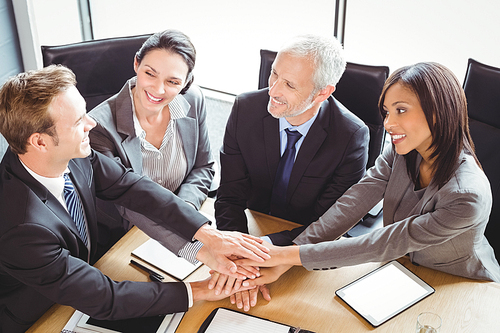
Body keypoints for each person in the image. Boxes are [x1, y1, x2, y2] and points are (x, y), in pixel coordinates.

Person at [0, 65, 268, 333]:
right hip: (39, 317)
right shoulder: (22, 226)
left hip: (82, 282)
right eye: (79, 121)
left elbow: (131, 187)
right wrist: (200, 290)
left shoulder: (69, 154)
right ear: (40, 142)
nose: (91, 124)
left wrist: (208, 235)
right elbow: (106, 299)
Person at [234, 62, 500, 291]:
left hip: (461, 285)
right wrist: (287, 260)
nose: (387, 123)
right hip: (402, 270)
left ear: (437, 112)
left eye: (401, 110)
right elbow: (351, 204)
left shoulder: (467, 195)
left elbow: (386, 241)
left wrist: (286, 255)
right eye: (386, 112)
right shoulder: (402, 153)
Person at [215, 34, 369, 246]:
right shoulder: (245, 109)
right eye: (274, 74)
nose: (273, 90)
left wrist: (267, 248)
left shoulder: (350, 136)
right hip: (253, 224)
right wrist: (236, 249)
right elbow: (229, 196)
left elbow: (328, 223)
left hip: (301, 244)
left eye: (289, 85)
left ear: (322, 93)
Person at [88, 30, 214, 256]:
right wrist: (194, 243)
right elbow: (128, 201)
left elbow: (203, 167)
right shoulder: (99, 127)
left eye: (173, 81)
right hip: (123, 236)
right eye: (150, 74)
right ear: (136, 64)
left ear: (186, 82)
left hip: (184, 226)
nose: (158, 89)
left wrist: (185, 210)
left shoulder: (193, 100)